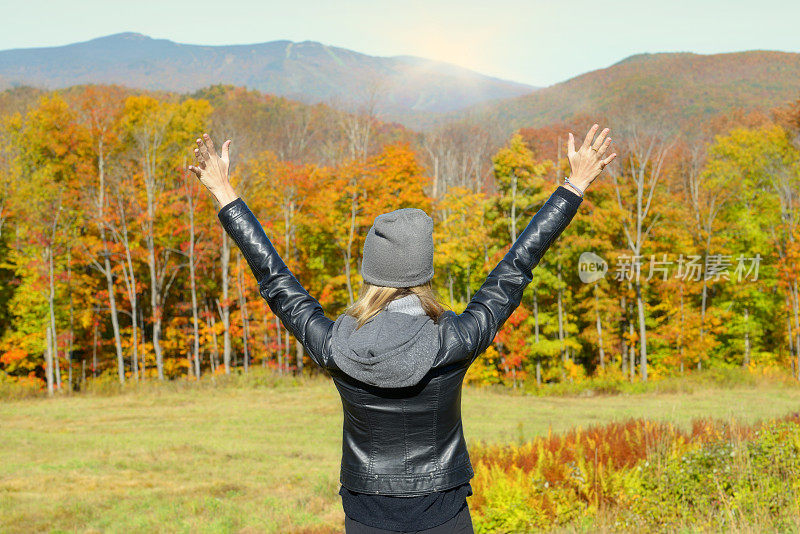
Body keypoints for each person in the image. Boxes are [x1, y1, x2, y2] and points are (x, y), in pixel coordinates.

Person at [188, 125, 615, 533]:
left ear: (371, 271)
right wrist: (573, 185)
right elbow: (517, 266)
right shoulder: (454, 340)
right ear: (423, 271)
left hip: (365, 512)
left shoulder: (338, 345)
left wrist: (225, 192)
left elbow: (276, 281)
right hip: (444, 513)